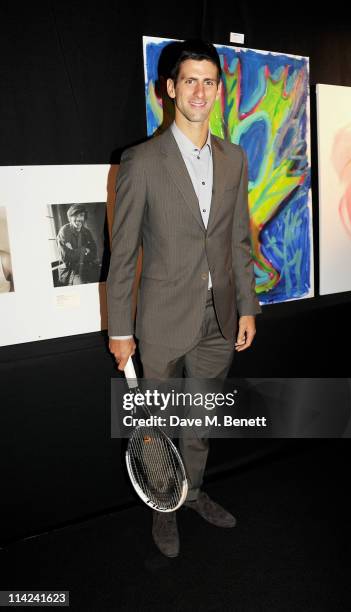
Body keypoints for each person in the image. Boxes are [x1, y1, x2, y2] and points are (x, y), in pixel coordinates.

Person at [107, 39, 261, 558]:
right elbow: (122, 254)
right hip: (160, 323)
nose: (200, 90)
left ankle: (192, 492)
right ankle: (163, 506)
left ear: (219, 90)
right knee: (155, 427)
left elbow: (239, 239)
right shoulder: (142, 161)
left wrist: (247, 307)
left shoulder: (235, 159)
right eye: (189, 80)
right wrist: (120, 329)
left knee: (198, 423)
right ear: (170, 90)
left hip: (219, 320)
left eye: (209, 81)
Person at [56, 204, 98, 286]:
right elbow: (66, 257)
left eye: (81, 215)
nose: (78, 219)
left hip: (87, 268)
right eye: (75, 216)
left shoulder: (87, 232)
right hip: (71, 271)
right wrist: (84, 250)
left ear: (84, 217)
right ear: (70, 218)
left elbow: (94, 254)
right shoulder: (64, 231)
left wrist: (75, 252)